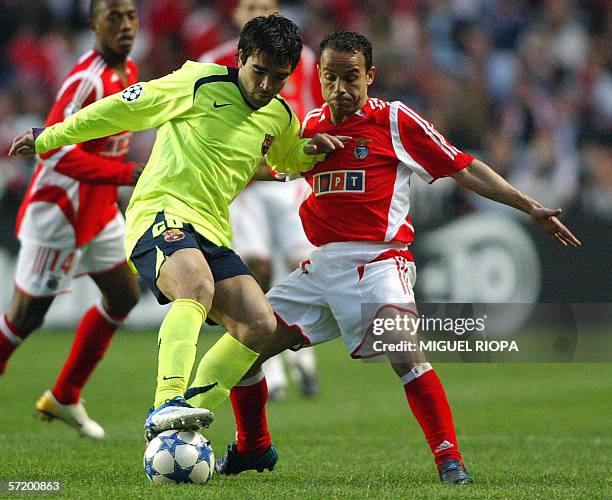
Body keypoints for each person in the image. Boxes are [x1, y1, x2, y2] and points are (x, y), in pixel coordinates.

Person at [201, 30, 581, 484]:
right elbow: (264, 167)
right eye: (330, 78)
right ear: (317, 76)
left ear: (371, 76)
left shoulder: (395, 120)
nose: (340, 89)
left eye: (351, 78)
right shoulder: (306, 129)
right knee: (244, 350)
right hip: (321, 267)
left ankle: (449, 460)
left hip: (380, 261)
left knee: (404, 347)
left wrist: (528, 205)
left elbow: (462, 165)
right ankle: (253, 449)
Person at [10, 14, 348, 441]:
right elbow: (122, 108)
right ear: (241, 57)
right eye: (259, 72)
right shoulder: (198, 82)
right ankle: (165, 402)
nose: (265, 87)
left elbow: (284, 160)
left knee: (260, 324)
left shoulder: (279, 115)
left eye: (277, 78)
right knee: (195, 287)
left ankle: (183, 423)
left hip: (211, 230)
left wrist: (310, 152)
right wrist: (51, 135)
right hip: (159, 212)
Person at [0, 0, 142, 439]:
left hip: (98, 212)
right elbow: (55, 148)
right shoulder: (86, 80)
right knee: (25, 319)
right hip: (60, 212)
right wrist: (126, 175)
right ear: (92, 24)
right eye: (113, 17)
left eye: (131, 16)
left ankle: (64, 395)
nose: (124, 25)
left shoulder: (129, 73)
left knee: (123, 296)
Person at [200, 0, 322, 401]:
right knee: (257, 267)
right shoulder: (213, 63)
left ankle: (304, 361)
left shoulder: (303, 59)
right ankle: (271, 368)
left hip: (288, 177)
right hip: (246, 185)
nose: (259, 12)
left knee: (303, 262)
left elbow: (310, 112)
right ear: (235, 15)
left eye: (266, 6)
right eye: (250, 6)